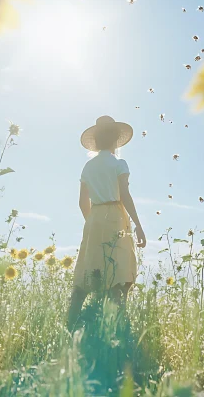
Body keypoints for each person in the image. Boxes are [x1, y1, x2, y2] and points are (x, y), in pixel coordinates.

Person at [67, 115, 147, 331]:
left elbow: (82, 201)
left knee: (88, 265)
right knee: (119, 270)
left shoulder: (88, 167)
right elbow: (125, 195)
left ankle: (71, 323)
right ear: (114, 140)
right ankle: (116, 325)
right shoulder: (119, 163)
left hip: (94, 217)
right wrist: (138, 225)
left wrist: (92, 220)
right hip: (115, 216)